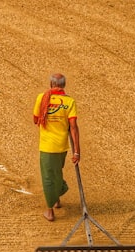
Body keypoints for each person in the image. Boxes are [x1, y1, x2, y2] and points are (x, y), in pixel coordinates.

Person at [33, 73, 80, 221]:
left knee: (48, 178)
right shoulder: (70, 101)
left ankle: (50, 211)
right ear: (64, 85)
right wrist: (77, 152)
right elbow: (73, 127)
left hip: (47, 146)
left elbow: (35, 120)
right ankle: (57, 199)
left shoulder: (41, 98)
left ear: (51, 84)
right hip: (62, 147)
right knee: (56, 172)